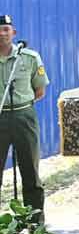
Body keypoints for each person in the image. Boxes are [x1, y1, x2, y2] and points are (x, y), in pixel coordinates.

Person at [0, 15, 48, 220]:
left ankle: (35, 224)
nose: (2, 34)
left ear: (14, 33)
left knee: (30, 171)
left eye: (5, 29)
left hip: (23, 116)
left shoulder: (29, 57)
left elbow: (40, 90)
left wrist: (20, 106)